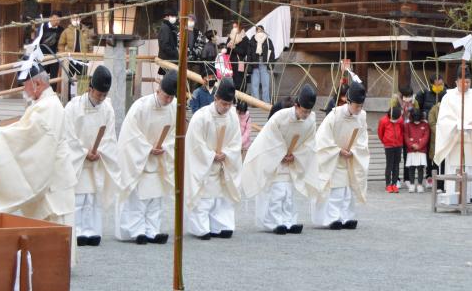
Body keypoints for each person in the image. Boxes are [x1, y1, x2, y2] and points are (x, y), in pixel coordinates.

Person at [0, 71, 77, 259]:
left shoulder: (49, 106)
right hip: (51, 170)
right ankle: (46, 258)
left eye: (25, 84)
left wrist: (0, 135)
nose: (24, 89)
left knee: (55, 216)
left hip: (54, 175)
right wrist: (0, 132)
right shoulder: (43, 104)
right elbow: (24, 128)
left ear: (36, 83)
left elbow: (31, 135)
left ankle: (54, 260)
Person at [240, 84, 318, 234]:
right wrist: (281, 154)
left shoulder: (310, 120)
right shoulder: (280, 117)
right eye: (304, 110)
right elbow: (270, 138)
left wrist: (296, 154)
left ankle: (288, 221)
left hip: (291, 159)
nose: (306, 114)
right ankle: (274, 222)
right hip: (274, 159)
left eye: (309, 111)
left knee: (288, 193)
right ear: (297, 105)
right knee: (276, 192)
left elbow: (309, 142)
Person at [112, 71, 178, 244]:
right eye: (166, 96)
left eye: (171, 97)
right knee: (138, 199)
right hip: (139, 158)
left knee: (155, 199)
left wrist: (165, 147)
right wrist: (147, 149)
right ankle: (137, 230)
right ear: (158, 90)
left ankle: (153, 230)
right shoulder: (141, 106)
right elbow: (130, 134)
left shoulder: (173, 107)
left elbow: (173, 135)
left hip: (158, 159)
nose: (169, 100)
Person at [61, 64, 119, 248]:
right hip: (79, 159)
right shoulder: (73, 107)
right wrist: (84, 152)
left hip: (97, 157)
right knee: (79, 198)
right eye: (98, 94)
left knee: (93, 198)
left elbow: (110, 136)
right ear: (90, 89)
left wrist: (99, 151)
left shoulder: (107, 109)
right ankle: (77, 231)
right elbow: (68, 135)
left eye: (104, 95)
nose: (101, 98)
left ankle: (93, 231)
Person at [184, 77, 244, 239]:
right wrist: (211, 155)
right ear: (216, 99)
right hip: (205, 164)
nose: (226, 107)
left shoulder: (232, 117)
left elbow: (236, 141)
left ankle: (222, 225)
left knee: (222, 197)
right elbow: (195, 143)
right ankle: (200, 227)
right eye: (223, 103)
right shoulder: (201, 117)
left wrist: (228, 153)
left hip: (223, 163)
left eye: (229, 104)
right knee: (204, 198)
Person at [313, 81, 368, 230]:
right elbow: (322, 138)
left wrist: (354, 151)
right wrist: (337, 150)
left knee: (348, 191)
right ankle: (333, 218)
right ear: (348, 101)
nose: (359, 109)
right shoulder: (334, 115)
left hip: (350, 158)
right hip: (335, 158)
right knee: (337, 190)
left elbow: (363, 137)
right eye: (356, 106)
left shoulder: (362, 116)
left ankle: (347, 217)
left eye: (361, 106)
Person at [434, 72, 472, 203]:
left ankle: (469, 195)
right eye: (462, 82)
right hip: (454, 138)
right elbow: (443, 120)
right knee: (453, 167)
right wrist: (456, 125)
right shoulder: (448, 97)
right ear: (456, 82)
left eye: (468, 82)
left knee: (470, 167)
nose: (465, 85)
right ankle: (451, 195)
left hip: (471, 137)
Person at [58, 13, 90, 97]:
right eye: (73, 18)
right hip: (70, 59)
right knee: (67, 78)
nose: (75, 19)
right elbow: (61, 44)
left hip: (83, 59)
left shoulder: (86, 30)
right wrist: (63, 54)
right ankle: (67, 98)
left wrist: (89, 55)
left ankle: (82, 98)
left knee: (82, 79)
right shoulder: (66, 31)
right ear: (70, 19)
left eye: (77, 18)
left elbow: (90, 44)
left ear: (80, 18)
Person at [402, 105, 431, 193]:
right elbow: (406, 136)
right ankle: (411, 184)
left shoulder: (425, 124)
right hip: (411, 150)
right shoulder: (407, 124)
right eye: (414, 116)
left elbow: (426, 136)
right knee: (411, 167)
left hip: (421, 150)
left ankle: (419, 184)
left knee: (420, 168)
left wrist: (419, 145)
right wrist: (411, 145)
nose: (416, 118)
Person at [379, 102, 405, 194]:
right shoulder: (383, 120)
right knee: (389, 165)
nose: (395, 120)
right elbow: (380, 133)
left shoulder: (400, 120)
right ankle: (388, 184)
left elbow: (402, 130)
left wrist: (400, 140)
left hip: (398, 145)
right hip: (389, 146)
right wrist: (385, 141)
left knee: (396, 165)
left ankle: (394, 184)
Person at [248, 24, 276, 103]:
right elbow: (249, 53)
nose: (259, 31)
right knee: (254, 83)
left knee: (265, 83)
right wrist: (249, 65)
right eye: (258, 30)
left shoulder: (267, 40)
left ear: (263, 31)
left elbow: (272, 53)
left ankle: (266, 101)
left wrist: (271, 65)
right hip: (255, 63)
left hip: (264, 62)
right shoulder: (252, 40)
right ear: (256, 31)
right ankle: (255, 102)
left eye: (261, 30)